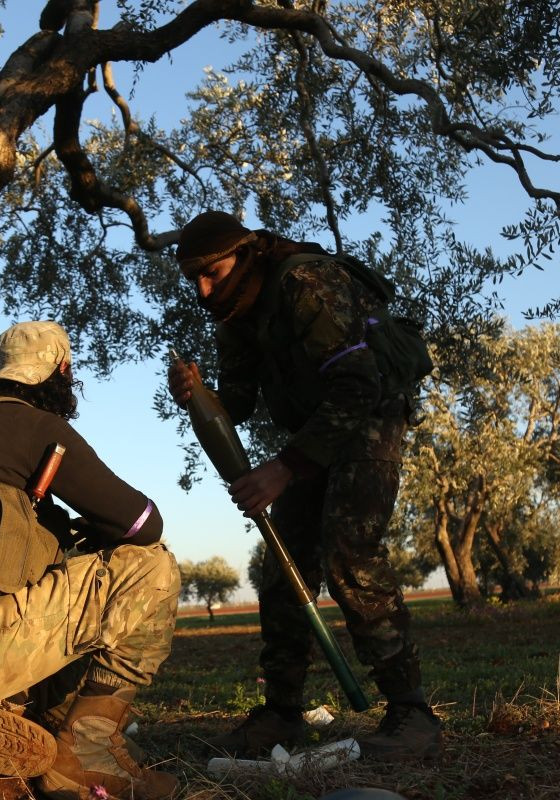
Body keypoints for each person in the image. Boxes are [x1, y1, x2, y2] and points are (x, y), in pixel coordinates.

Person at [166, 211, 441, 761]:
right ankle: (282, 713)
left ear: (246, 255)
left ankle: (412, 714)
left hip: (370, 415)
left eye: (212, 273)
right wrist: (196, 396)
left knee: (350, 555)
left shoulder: (303, 281)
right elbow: (238, 402)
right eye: (193, 278)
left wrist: (284, 467)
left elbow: (359, 384)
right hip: (317, 431)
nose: (203, 290)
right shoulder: (234, 314)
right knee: (283, 567)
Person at [0, 320, 180, 800]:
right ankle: (87, 755)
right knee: (151, 568)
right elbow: (144, 524)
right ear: (62, 371)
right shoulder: (37, 427)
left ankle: (12, 712)